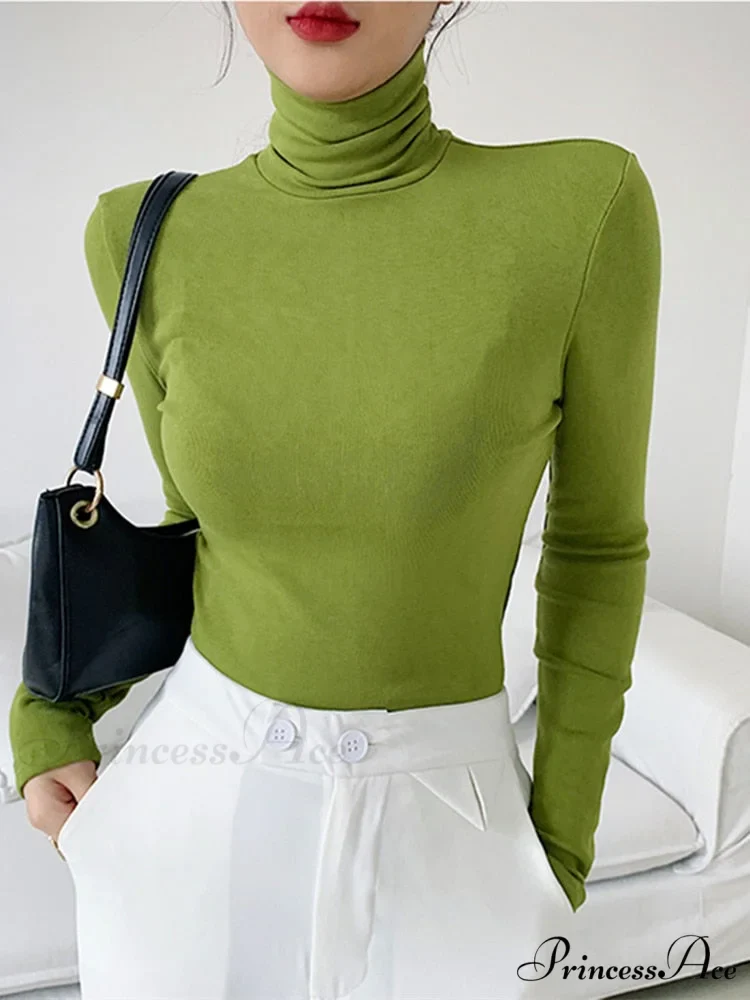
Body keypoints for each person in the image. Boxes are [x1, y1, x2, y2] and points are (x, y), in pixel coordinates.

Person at [9, 2, 662, 998]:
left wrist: (560, 848)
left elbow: (598, 546)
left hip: (451, 831)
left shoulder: (582, 208)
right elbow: (200, 534)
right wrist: (47, 716)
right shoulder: (140, 231)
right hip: (186, 824)